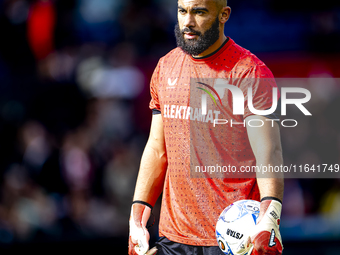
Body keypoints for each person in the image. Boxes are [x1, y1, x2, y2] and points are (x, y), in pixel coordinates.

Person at [129, 0, 284, 254]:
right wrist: (137, 216)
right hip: (172, 239)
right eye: (182, 11)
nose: (188, 22)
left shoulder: (250, 72)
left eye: (199, 12)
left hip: (234, 240)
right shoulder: (165, 67)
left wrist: (271, 214)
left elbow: (268, 153)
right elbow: (157, 149)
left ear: (224, 15)